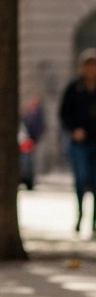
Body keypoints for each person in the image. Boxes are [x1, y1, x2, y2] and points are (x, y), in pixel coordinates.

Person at [60, 48, 96, 235]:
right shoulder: (74, 89)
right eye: (88, 65)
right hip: (79, 143)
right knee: (81, 179)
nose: (91, 69)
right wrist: (74, 130)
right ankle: (80, 216)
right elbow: (64, 114)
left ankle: (94, 222)